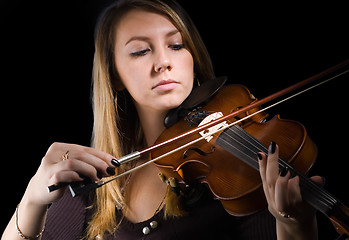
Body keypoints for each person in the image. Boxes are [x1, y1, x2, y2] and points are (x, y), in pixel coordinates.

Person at [2, 0, 324, 239]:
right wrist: (32, 198)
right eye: (141, 51)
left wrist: (295, 225)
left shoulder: (234, 178)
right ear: (114, 75)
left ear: (192, 57)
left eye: (176, 45)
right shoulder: (99, 185)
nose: (164, 62)